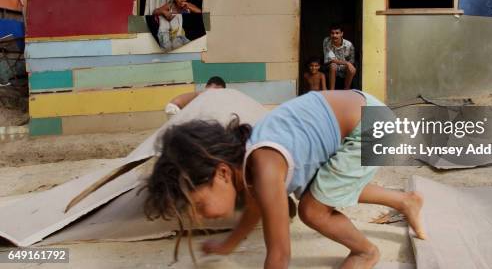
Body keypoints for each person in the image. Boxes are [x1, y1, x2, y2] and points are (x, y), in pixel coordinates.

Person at [145, 90, 426, 268]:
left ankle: (365, 252)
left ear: (221, 173)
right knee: (327, 187)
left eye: (199, 205)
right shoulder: (249, 166)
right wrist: (228, 245)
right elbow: (256, 208)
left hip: (373, 127)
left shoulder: (265, 168)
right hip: (367, 115)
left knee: (312, 209)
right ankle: (405, 201)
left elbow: (279, 256)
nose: (201, 216)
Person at [323, 24, 357, 90]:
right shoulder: (327, 41)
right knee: (333, 66)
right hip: (331, 66)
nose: (334, 35)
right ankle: (332, 91)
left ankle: (346, 89)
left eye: (337, 33)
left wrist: (348, 64)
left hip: (344, 68)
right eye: (332, 33)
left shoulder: (349, 45)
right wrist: (347, 63)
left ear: (342, 34)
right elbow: (331, 60)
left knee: (352, 70)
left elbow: (351, 61)